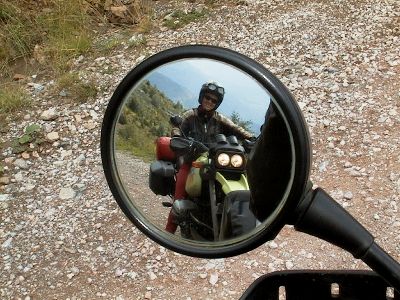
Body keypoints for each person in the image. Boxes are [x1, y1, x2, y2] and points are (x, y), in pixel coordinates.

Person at [165, 81, 254, 233]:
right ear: (201, 97)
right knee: (179, 195)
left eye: (214, 100)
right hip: (192, 160)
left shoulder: (220, 119)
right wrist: (179, 137)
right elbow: (176, 128)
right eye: (207, 97)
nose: (210, 102)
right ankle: (168, 234)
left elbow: (238, 130)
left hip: (215, 161)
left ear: (217, 103)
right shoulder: (190, 115)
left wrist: (253, 139)